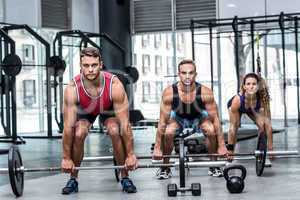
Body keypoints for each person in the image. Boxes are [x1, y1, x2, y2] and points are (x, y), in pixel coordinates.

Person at [61, 47, 138, 194]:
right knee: (78, 133)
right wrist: (66, 158)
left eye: (94, 65)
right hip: (85, 109)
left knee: (115, 130)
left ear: (100, 64)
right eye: (86, 66)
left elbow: (125, 125)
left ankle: (125, 177)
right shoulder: (72, 88)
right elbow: (67, 127)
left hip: (108, 108)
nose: (90, 69)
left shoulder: (114, 85)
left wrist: (130, 154)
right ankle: (73, 179)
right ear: (80, 66)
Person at [152, 59, 228, 179]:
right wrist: (157, 148)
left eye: (191, 73)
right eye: (184, 73)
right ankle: (165, 167)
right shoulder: (169, 93)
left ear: (195, 74)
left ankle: (214, 165)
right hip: (178, 118)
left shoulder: (205, 92)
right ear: (179, 74)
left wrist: (222, 145)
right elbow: (162, 122)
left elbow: (215, 119)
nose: (187, 76)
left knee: (211, 129)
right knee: (168, 132)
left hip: (199, 118)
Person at [227, 72, 273, 164]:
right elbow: (232, 128)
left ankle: (262, 155)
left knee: (263, 125)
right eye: (248, 84)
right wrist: (230, 149)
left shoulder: (263, 99)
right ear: (244, 86)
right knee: (235, 127)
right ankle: (231, 154)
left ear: (257, 86)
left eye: (254, 84)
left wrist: (271, 149)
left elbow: (268, 125)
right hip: (239, 107)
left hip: (252, 108)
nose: (251, 86)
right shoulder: (237, 100)